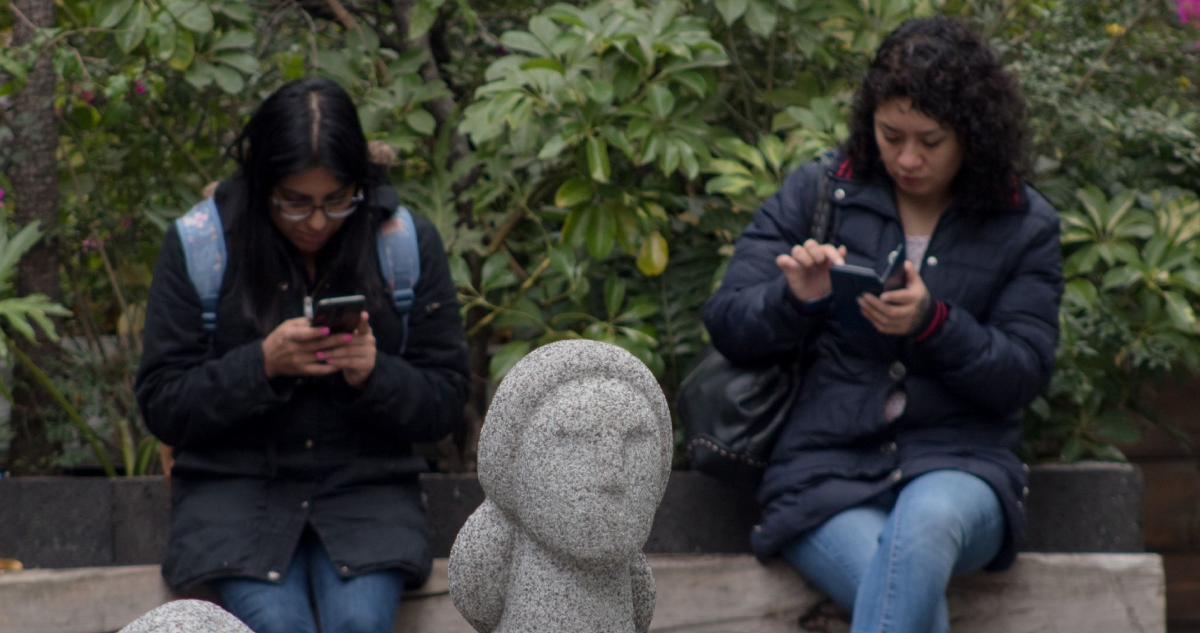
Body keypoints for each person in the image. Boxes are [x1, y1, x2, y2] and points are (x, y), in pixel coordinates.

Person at [702, 16, 1062, 633]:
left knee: (922, 530)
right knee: (907, 596)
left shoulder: (1022, 221)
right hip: (824, 473)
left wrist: (934, 323)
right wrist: (794, 299)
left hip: (961, 467)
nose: (906, 158)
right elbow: (728, 321)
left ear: (973, 135)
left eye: (930, 141)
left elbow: (1023, 373)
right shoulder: (822, 189)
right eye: (890, 135)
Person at [135, 77, 471, 633]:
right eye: (295, 202)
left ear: (359, 182)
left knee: (359, 623)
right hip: (234, 499)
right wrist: (261, 365)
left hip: (367, 496)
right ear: (262, 183)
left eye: (336, 200)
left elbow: (447, 399)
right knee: (278, 626)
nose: (316, 221)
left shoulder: (401, 240)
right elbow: (162, 402)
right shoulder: (202, 242)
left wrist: (374, 374)